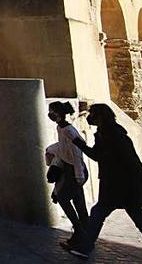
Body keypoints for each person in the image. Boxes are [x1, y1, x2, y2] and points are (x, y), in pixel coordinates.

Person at [67, 103, 142, 263]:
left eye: (92, 114)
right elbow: (98, 155)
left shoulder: (117, 136)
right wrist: (80, 144)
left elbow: (134, 162)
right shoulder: (103, 134)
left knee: (136, 222)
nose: (89, 117)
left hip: (123, 187)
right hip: (113, 186)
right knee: (103, 215)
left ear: (100, 117)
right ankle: (85, 248)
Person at [45, 101, 88, 248]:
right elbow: (63, 147)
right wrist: (51, 149)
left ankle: (79, 230)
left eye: (52, 112)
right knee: (78, 201)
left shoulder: (68, 131)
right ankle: (85, 232)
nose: (50, 114)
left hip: (75, 170)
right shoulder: (61, 128)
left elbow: (76, 153)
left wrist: (79, 175)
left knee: (63, 198)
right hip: (71, 169)